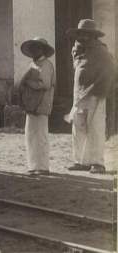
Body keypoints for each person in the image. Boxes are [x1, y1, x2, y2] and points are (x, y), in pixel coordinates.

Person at [66, 19, 115, 174]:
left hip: (95, 94)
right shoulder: (78, 51)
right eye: (81, 33)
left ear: (93, 36)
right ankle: (81, 161)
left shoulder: (102, 52)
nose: (82, 37)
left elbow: (111, 72)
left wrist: (98, 89)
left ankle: (97, 163)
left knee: (95, 127)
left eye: (86, 34)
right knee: (78, 127)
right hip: (78, 94)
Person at [17, 37, 56, 175]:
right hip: (31, 103)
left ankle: (43, 166)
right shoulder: (32, 64)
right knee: (31, 135)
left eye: (38, 48)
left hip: (42, 103)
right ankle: (33, 165)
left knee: (40, 135)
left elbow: (44, 84)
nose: (35, 50)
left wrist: (28, 83)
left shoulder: (46, 64)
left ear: (43, 50)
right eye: (33, 48)